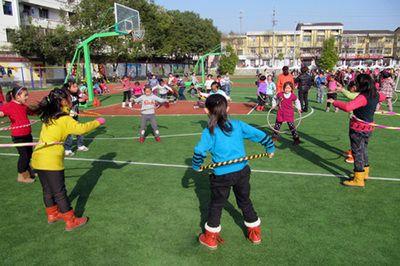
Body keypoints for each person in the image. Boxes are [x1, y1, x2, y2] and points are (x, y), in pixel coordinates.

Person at [192, 94, 275, 250]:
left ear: (206, 111)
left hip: (222, 175)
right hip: (242, 171)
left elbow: (199, 151)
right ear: (228, 109)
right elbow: (259, 135)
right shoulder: (237, 124)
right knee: (245, 201)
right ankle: (255, 233)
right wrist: (269, 147)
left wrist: (196, 165)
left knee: (216, 205)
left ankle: (211, 238)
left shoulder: (208, 131)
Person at [31, 88, 105, 230]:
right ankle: (70, 221)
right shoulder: (64, 119)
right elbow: (81, 129)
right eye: (70, 98)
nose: (72, 100)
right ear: (64, 101)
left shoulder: (49, 115)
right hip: (50, 160)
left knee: (47, 190)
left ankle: (52, 214)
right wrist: (98, 122)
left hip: (38, 157)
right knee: (59, 192)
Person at [327, 74, 386, 188]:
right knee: (363, 150)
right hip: (369, 128)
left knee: (357, 152)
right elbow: (383, 97)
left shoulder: (363, 97)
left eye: (357, 82)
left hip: (358, 128)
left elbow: (348, 107)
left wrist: (335, 102)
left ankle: (358, 179)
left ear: (362, 84)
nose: (356, 84)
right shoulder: (376, 94)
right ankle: (364, 173)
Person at [0, 87, 36, 183]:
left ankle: (28, 172)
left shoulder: (23, 106)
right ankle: (21, 175)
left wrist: (42, 107)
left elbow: (32, 112)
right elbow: (2, 113)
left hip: (27, 133)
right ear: (17, 96)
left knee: (29, 154)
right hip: (18, 135)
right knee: (24, 155)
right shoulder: (10, 106)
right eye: (25, 95)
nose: (27, 97)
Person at [62, 81, 90, 156]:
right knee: (70, 134)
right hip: (69, 117)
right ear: (68, 88)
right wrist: (78, 101)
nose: (76, 88)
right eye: (74, 87)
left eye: (76, 86)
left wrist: (83, 100)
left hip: (75, 116)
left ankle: (80, 145)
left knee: (79, 131)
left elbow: (80, 102)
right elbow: (68, 105)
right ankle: (67, 149)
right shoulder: (67, 96)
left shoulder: (75, 94)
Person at [337, 81, 359, 163]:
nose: (349, 91)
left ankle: (355, 156)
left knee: (355, 138)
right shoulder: (358, 94)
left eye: (350, 89)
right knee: (352, 136)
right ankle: (352, 150)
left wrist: (341, 90)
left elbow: (350, 96)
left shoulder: (359, 95)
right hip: (353, 118)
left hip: (357, 120)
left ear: (354, 88)